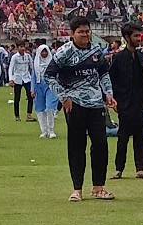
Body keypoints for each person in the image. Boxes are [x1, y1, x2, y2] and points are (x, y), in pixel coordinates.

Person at [45, 13, 118, 201]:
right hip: (75, 105)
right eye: (81, 32)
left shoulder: (96, 51)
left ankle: (99, 187)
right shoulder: (64, 53)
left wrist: (108, 93)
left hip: (95, 104)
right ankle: (77, 189)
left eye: (87, 31)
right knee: (77, 146)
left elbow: (103, 74)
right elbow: (49, 75)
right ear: (72, 33)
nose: (85, 35)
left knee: (101, 144)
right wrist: (64, 97)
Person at [109, 22, 143, 180]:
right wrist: (114, 100)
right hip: (125, 103)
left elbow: (142, 79)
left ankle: (140, 168)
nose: (139, 38)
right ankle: (119, 169)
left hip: (140, 103)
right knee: (123, 137)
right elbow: (112, 79)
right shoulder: (119, 57)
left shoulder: (140, 55)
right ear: (127, 37)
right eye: (135, 36)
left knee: (141, 137)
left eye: (139, 35)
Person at [32, 41, 59, 138]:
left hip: (50, 86)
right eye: (42, 52)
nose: (44, 54)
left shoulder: (52, 62)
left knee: (50, 108)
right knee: (40, 109)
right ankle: (44, 131)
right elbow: (33, 77)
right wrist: (32, 89)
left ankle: (51, 130)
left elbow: (57, 75)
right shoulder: (35, 63)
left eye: (45, 52)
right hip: (39, 87)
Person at [8, 40, 34, 120]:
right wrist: (11, 79)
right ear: (17, 48)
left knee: (30, 96)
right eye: (21, 47)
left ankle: (29, 114)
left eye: (23, 47)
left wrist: (33, 78)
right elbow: (11, 68)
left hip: (27, 78)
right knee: (17, 98)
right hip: (18, 78)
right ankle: (17, 116)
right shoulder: (15, 57)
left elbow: (32, 67)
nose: (22, 48)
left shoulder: (28, 56)